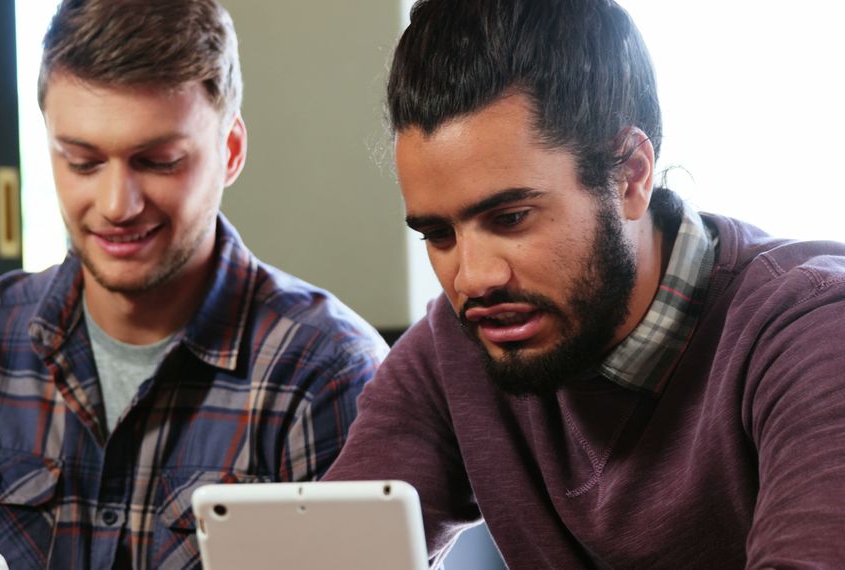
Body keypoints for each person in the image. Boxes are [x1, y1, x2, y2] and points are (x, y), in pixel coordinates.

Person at [0, 0, 387, 568]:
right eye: (82, 161)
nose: (116, 205)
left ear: (229, 151)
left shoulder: (326, 371)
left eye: (158, 162)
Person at [323, 0, 845, 567]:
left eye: (511, 218)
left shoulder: (814, 333)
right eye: (439, 234)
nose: (472, 278)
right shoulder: (456, 348)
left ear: (630, 176)